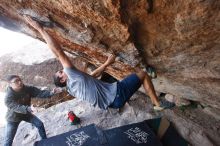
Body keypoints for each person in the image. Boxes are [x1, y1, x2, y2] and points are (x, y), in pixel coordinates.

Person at [24, 16, 174, 111]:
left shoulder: (71, 89)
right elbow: (58, 52)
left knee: (131, 76)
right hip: (117, 94)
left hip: (113, 104)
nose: (62, 70)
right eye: (60, 73)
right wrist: (40, 29)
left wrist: (107, 63)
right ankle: (157, 104)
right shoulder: (71, 75)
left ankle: (149, 80)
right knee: (142, 75)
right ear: (63, 79)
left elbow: (92, 76)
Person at [3, 75, 61, 146]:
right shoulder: (7, 97)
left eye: (20, 80)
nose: (20, 82)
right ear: (10, 84)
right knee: (8, 140)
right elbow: (16, 107)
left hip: (26, 114)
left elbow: (40, 93)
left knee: (40, 124)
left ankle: (45, 141)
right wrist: (29, 108)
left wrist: (51, 92)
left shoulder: (27, 89)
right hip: (13, 118)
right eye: (16, 81)